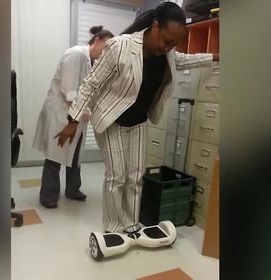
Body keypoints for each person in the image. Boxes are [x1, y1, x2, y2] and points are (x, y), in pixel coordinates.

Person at [55, 2, 219, 234]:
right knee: (117, 176)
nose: (169, 47)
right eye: (166, 40)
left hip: (139, 119)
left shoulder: (168, 53)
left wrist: (215, 56)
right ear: (154, 27)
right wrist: (73, 122)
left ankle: (130, 226)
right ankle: (113, 228)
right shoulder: (120, 47)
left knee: (135, 176)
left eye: (174, 43)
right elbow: (91, 85)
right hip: (112, 119)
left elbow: (181, 61)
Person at [33, 26, 114, 208]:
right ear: (97, 40)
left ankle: (72, 189)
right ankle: (48, 195)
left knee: (75, 154)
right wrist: (80, 110)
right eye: (106, 47)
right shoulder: (75, 54)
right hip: (61, 113)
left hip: (75, 114)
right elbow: (68, 89)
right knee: (56, 154)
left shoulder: (92, 62)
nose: (106, 52)